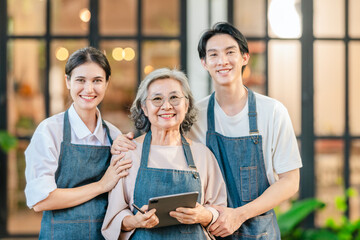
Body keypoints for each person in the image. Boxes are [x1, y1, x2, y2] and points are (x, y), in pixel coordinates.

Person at [111, 22, 303, 240]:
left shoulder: (272, 112)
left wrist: (238, 215)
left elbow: (290, 181)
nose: (222, 61)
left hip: (259, 231)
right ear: (204, 63)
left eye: (230, 52)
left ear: (245, 57)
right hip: (209, 231)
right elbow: (165, 148)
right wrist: (123, 143)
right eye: (213, 55)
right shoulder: (193, 114)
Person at [101, 68, 227, 240]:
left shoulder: (202, 155)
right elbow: (114, 216)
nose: (167, 106)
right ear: (144, 108)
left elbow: (219, 209)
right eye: (157, 99)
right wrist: (136, 221)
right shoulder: (128, 153)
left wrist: (204, 215)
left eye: (174, 98)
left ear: (186, 104)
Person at [24, 46, 132, 239]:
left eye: (97, 80)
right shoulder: (49, 131)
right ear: (68, 81)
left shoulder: (114, 135)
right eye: (80, 80)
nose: (89, 89)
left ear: (107, 83)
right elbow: (41, 200)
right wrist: (100, 185)